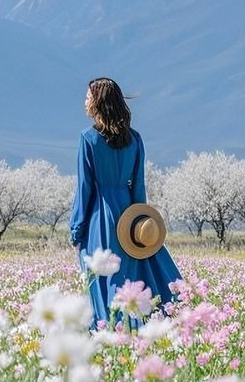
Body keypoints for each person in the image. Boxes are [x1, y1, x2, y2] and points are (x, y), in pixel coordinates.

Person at [69, 77, 181, 329]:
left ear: (98, 102)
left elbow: (85, 189)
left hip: (100, 218)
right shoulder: (136, 140)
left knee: (102, 280)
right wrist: (141, 224)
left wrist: (76, 229)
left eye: (88, 97)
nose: (84, 102)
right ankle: (133, 331)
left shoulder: (88, 139)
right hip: (130, 218)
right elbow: (139, 187)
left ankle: (106, 331)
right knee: (127, 280)